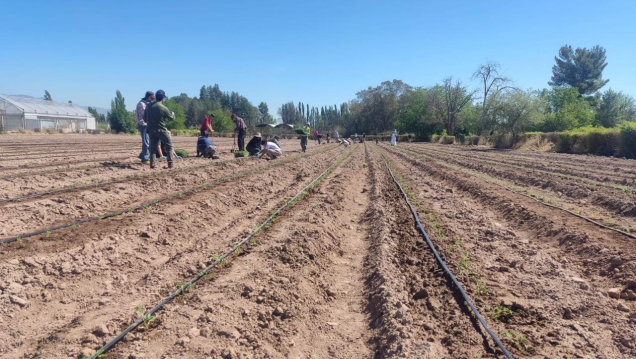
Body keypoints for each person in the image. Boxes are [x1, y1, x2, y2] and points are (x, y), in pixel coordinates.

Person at [145, 89, 175, 169]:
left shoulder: (148, 106)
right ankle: (170, 165)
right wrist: (173, 114)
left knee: (152, 149)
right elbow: (171, 119)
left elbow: (145, 119)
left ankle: (152, 165)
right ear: (163, 98)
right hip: (161, 130)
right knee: (169, 147)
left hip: (151, 130)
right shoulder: (163, 108)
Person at [136, 91, 154, 164]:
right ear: (148, 97)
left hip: (148, 124)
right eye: (151, 98)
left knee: (148, 141)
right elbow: (145, 116)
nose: (152, 99)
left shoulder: (147, 103)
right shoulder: (141, 104)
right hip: (143, 125)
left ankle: (142, 155)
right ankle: (145, 158)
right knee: (146, 142)